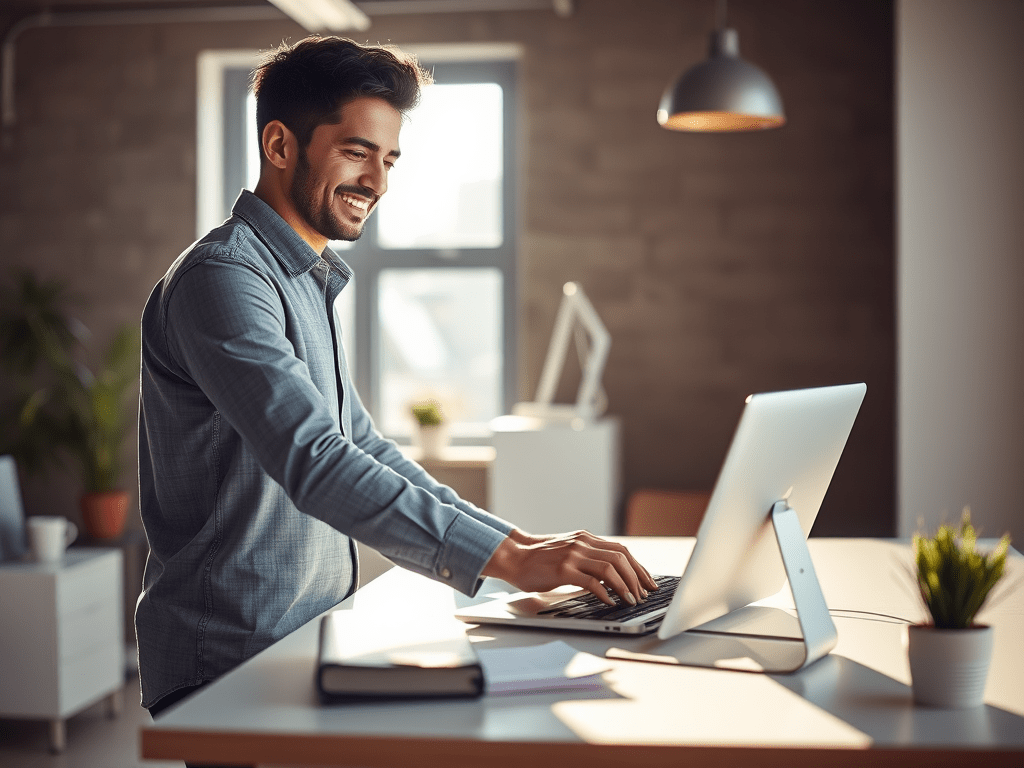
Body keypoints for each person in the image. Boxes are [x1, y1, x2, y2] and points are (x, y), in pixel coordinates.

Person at [135, 35, 657, 721]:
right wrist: (506, 560)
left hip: (301, 636)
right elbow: (315, 461)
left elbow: (361, 445)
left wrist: (522, 545)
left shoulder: (304, 280)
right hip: (229, 655)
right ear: (280, 145)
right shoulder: (225, 279)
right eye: (357, 152)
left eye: (388, 160)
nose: (377, 184)